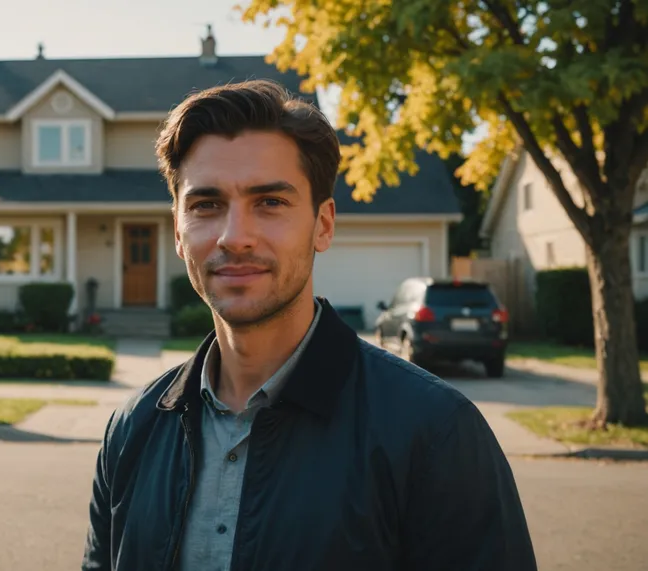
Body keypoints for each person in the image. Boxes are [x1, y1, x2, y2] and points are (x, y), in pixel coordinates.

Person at [81, 79, 537, 571]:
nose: (235, 237)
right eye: (206, 205)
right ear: (177, 230)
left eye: (270, 202)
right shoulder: (133, 430)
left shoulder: (435, 432)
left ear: (323, 225)